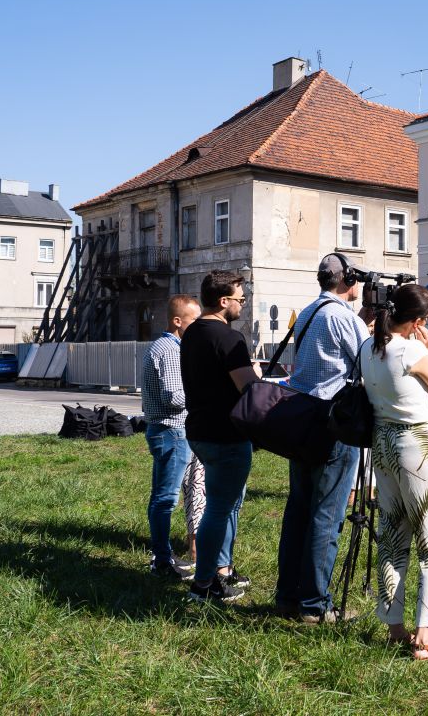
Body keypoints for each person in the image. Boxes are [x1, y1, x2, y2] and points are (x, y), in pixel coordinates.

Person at [361, 284, 428, 660]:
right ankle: (426, 635)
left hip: (382, 442)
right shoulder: (412, 350)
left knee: (392, 534)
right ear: (418, 321)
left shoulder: (368, 349)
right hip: (418, 445)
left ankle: (394, 625)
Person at [275, 254, 369, 624]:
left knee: (298, 510)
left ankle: (288, 596)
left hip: (302, 419)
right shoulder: (342, 316)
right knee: (327, 516)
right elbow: (366, 363)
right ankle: (315, 605)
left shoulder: (312, 311)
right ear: (347, 280)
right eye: (356, 278)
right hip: (333, 423)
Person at [181, 270, 259, 603]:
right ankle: (203, 584)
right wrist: (256, 376)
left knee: (221, 506)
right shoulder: (229, 338)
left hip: (199, 430)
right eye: (241, 299)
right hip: (226, 434)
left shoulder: (193, 332)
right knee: (219, 509)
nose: (243, 304)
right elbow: (248, 388)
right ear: (224, 301)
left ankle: (219, 572)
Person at [141, 293, 202, 578]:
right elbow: (173, 396)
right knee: (166, 499)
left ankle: (162, 556)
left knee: (161, 497)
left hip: (167, 431)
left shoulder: (166, 346)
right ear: (178, 321)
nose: (200, 325)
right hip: (172, 431)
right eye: (195, 320)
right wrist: (205, 390)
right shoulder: (170, 350)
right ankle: (162, 561)